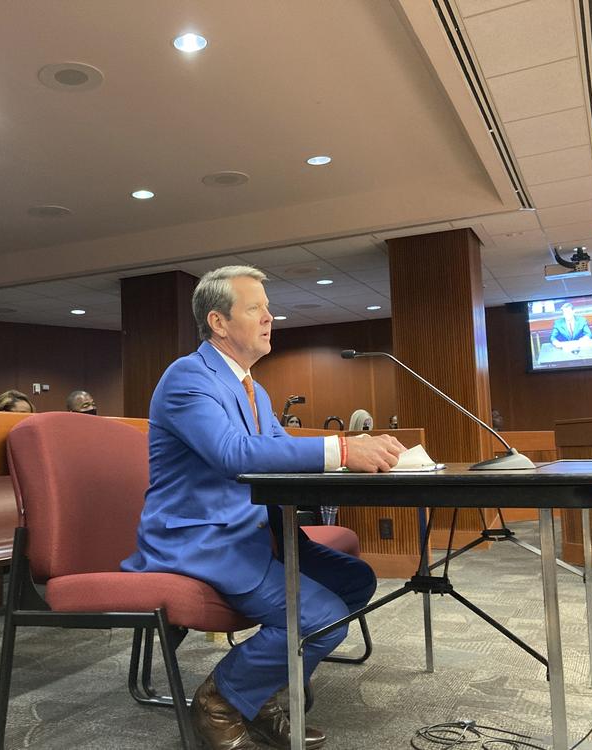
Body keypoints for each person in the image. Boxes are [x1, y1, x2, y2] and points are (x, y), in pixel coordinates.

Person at [122, 265, 404, 750]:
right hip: (202, 538)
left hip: (253, 532)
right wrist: (340, 451)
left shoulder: (254, 386)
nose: (271, 317)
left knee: (355, 581)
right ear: (218, 322)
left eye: (267, 308)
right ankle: (221, 701)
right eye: (256, 309)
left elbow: (276, 454)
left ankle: (260, 695)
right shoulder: (188, 377)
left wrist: (362, 455)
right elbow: (233, 454)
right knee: (318, 615)